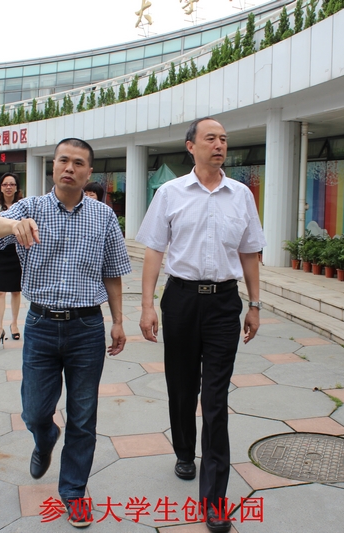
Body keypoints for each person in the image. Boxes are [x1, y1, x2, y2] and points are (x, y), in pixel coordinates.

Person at [0, 138, 131, 527]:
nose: (69, 168)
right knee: (34, 410)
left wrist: (117, 320)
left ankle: (74, 493)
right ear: (53, 166)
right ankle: (45, 436)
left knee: (83, 415)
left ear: (89, 172)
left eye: (78, 163)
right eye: (63, 160)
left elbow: (113, 272)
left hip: (86, 326)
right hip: (41, 324)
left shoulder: (103, 216)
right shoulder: (30, 207)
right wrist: (13, 224)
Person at [137, 117, 266, 533]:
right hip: (180, 299)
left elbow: (250, 253)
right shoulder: (170, 193)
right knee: (181, 387)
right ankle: (183, 451)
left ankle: (214, 500)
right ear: (190, 146)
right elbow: (154, 251)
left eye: (224, 139)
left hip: (224, 303)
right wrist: (147, 306)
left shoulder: (241, 195)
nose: (219, 144)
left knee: (215, 399)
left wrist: (255, 305)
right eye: (210, 138)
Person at [0, 172, 23, 344]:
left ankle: (14, 324)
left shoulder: (22, 206)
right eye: (5, 184)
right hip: (0, 251)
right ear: (0, 188)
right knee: (0, 291)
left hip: (17, 251)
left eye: (12, 184)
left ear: (17, 188)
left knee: (16, 290)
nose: (8, 187)